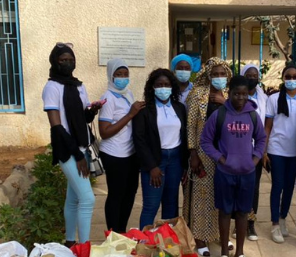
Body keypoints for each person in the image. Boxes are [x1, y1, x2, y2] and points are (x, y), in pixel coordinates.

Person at [200, 76, 267, 257]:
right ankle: (223, 252)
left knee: (243, 212)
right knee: (224, 211)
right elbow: (205, 141)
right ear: (229, 93)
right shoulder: (219, 115)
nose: (240, 98)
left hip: (247, 173)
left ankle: (240, 251)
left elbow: (261, 138)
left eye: (244, 94)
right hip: (225, 173)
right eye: (236, 94)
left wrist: (255, 159)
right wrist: (221, 158)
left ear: (248, 95)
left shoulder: (252, 115)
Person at [42, 43, 101, 246]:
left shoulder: (78, 85)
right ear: (55, 62)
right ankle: (84, 246)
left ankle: (69, 241)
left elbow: (83, 117)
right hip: (67, 151)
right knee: (88, 199)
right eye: (63, 60)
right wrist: (76, 155)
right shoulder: (52, 87)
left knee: (74, 198)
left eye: (70, 60)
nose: (68, 63)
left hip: (83, 147)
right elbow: (57, 126)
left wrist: (93, 110)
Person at [183, 57, 232, 256]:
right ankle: (200, 237)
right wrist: (193, 153)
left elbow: (241, 116)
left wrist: (224, 102)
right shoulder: (198, 95)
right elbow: (191, 125)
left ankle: (221, 235)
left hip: (226, 154)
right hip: (203, 153)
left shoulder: (230, 95)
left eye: (223, 74)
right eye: (215, 74)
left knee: (222, 196)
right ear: (208, 75)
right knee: (201, 196)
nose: (219, 78)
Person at [264, 63, 296, 243]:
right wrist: (264, 150)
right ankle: (275, 223)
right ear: (283, 78)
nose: (291, 80)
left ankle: (284, 218)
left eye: (295, 77)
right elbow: (268, 126)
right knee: (277, 185)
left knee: (289, 187)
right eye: (288, 77)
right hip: (276, 149)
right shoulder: (274, 99)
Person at [132, 68, 188, 229]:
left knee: (171, 205)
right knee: (151, 205)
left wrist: (184, 164)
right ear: (152, 87)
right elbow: (139, 140)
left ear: (172, 87)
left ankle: (167, 244)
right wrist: (152, 167)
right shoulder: (144, 110)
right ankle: (145, 242)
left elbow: (183, 137)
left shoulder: (179, 108)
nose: (163, 88)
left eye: (166, 84)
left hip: (175, 161)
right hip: (155, 162)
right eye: (159, 85)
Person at [98, 59, 145, 233]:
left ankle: (121, 231)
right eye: (119, 74)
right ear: (111, 76)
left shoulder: (127, 94)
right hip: (114, 154)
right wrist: (131, 114)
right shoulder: (108, 98)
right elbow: (104, 131)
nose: (123, 78)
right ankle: (112, 234)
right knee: (116, 195)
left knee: (130, 193)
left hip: (130, 153)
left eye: (126, 74)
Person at [240, 63, 268, 241]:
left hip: (256, 150)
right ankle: (237, 222)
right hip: (237, 148)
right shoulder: (235, 96)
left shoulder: (264, 98)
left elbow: (266, 126)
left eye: (254, 75)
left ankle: (250, 224)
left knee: (253, 188)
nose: (252, 78)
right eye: (248, 75)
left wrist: (263, 151)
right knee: (237, 187)